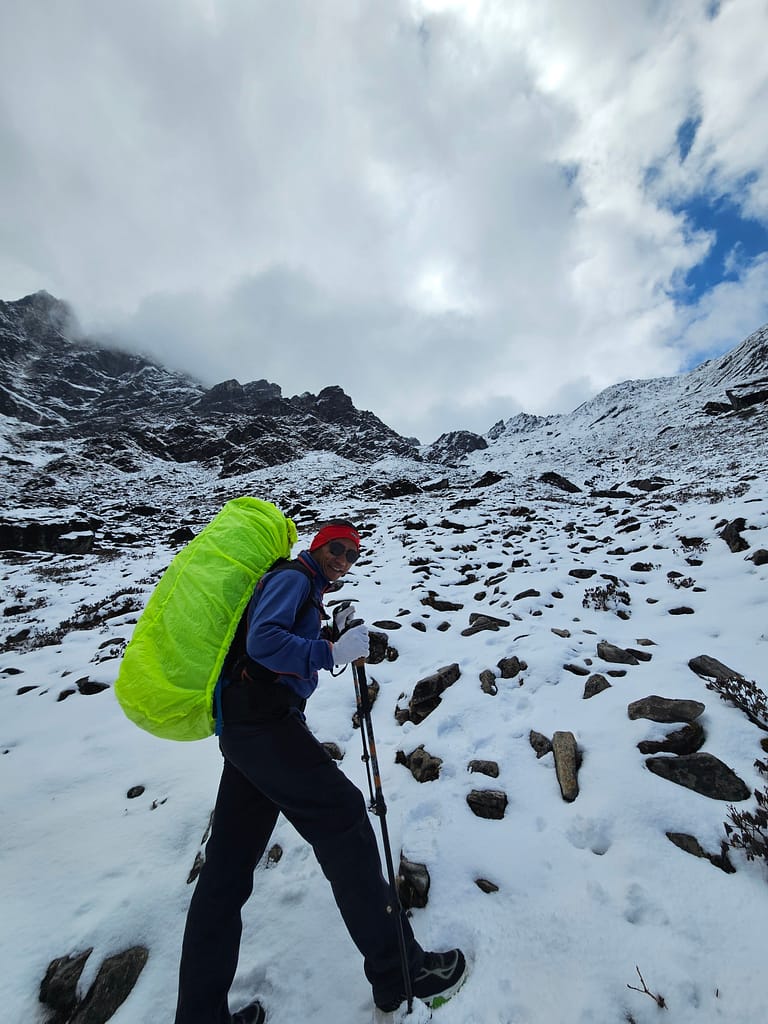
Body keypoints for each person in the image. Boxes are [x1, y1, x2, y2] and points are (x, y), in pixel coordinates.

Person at [173, 519, 466, 1024]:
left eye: (352, 554)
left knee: (225, 873)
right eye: (336, 548)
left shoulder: (304, 587)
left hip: (247, 729)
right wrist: (330, 651)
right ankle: (402, 973)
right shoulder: (292, 578)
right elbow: (265, 643)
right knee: (347, 819)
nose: (343, 559)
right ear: (317, 547)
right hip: (265, 726)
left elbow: (272, 646)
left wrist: (332, 630)